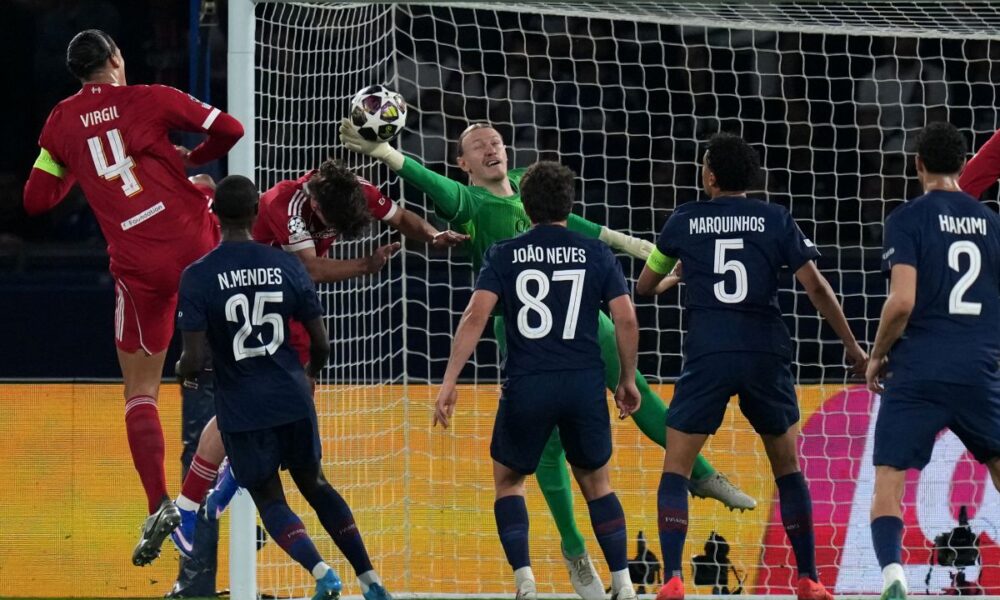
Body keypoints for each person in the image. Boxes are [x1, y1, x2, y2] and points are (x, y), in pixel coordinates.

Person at [339, 119, 755, 599]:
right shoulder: (467, 202)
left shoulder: (526, 189)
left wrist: (637, 245)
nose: (491, 148)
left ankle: (701, 475)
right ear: (463, 164)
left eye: (495, 141)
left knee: (632, 384)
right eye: (477, 146)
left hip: (580, 320)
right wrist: (389, 156)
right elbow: (426, 180)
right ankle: (576, 551)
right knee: (554, 450)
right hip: (520, 332)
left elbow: (579, 225)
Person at [169, 161, 469, 558]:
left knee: (293, 398)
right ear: (315, 203)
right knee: (242, 407)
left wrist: (432, 236)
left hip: (284, 299)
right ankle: (188, 507)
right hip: (256, 301)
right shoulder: (284, 205)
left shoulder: (354, 190)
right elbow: (309, 269)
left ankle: (223, 488)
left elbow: (400, 217)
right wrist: (365, 265)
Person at [22, 29, 244, 566]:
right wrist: (192, 161)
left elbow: (36, 201)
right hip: (194, 245)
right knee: (243, 360)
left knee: (140, 392)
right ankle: (243, 469)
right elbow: (230, 130)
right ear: (117, 59)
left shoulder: (60, 122)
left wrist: (79, 167)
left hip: (140, 264)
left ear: (78, 73)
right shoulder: (150, 97)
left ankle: (159, 503)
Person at [635, 133, 866, 600]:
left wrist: (677, 276)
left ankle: (674, 578)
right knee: (787, 468)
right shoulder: (775, 219)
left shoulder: (683, 221)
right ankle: (808, 578)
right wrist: (854, 349)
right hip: (765, 352)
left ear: (712, 176)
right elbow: (817, 288)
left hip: (709, 354)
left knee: (676, 469)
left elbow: (644, 286)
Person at [176, 175, 392, 600]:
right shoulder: (289, 265)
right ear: (258, 213)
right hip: (293, 394)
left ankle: (323, 572)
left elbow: (194, 358)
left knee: (270, 499)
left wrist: (184, 372)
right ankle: (370, 580)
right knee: (317, 486)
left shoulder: (198, 276)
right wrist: (309, 373)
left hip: (242, 405)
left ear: (214, 215)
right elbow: (322, 341)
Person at [433, 161, 640, 600]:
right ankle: (623, 582)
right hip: (583, 383)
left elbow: (475, 316)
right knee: (597, 484)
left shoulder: (504, 254)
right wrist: (626, 379)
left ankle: (525, 581)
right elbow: (625, 318)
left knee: (509, 481)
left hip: (528, 383)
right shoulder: (595, 252)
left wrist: (449, 381)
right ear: (570, 204)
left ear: (525, 206)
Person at [866, 122, 1000, 600]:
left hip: (918, 369)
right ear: (964, 167)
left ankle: (894, 576)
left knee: (888, 481)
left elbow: (901, 302)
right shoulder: (990, 222)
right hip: (979, 370)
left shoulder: (908, 218)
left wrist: (877, 355)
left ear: (917, 164)